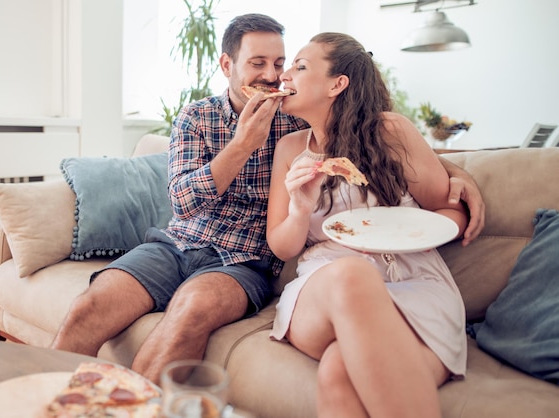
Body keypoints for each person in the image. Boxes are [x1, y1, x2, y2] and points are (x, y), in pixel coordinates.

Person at [51, 14, 482, 385]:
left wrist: (459, 174)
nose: (274, 76)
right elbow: (182, 201)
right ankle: (42, 400)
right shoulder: (197, 116)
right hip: (177, 244)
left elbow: (378, 140)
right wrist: (240, 145)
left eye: (281, 63)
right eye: (258, 63)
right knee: (89, 307)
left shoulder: (293, 119)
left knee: (192, 308)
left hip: (244, 261)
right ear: (227, 64)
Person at [266, 32, 468, 417]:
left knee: (339, 369)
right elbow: (282, 246)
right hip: (325, 286)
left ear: (337, 84)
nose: (284, 74)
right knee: (353, 274)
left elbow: (448, 209)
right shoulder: (290, 149)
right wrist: (300, 209)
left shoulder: (391, 132)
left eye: (300, 66)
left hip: (411, 281)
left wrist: (422, 232)